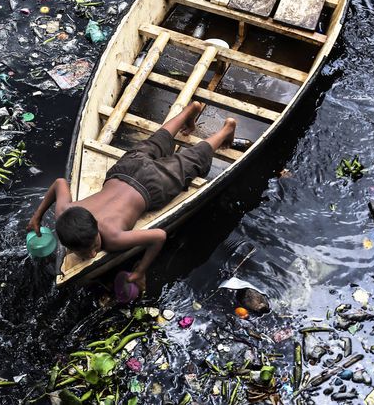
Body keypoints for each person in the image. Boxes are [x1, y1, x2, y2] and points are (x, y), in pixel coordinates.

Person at [25, 102, 237, 292]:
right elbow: (60, 184)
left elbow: (159, 237)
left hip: (153, 186)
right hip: (126, 169)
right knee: (156, 141)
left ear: (97, 229)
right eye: (86, 252)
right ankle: (190, 110)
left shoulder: (113, 238)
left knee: (192, 159)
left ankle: (226, 129)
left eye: (93, 246)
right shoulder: (65, 211)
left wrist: (141, 270)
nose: (92, 254)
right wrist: (37, 217)